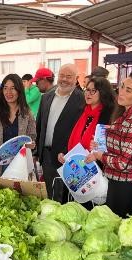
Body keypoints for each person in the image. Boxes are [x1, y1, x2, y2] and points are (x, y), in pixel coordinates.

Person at [85, 71, 132, 217]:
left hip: (127, 182)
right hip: (117, 179)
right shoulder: (125, 112)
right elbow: (120, 143)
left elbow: (123, 163)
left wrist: (99, 155)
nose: (121, 92)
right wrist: (100, 143)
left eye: (128, 90)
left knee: (118, 225)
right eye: (122, 87)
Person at [35, 63, 85, 202]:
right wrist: (36, 153)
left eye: (69, 76)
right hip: (46, 155)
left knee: (66, 197)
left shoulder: (82, 100)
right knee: (50, 193)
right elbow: (39, 125)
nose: (64, 79)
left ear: (76, 79)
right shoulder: (46, 97)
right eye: (62, 75)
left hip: (68, 157)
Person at [0, 73, 36, 177]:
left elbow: (31, 135)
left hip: (19, 166)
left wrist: (30, 144)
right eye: (5, 88)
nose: (8, 92)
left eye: (13, 88)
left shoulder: (26, 113)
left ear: (19, 90)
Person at [58, 77, 115, 163]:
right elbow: (72, 137)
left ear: (103, 93)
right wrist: (64, 153)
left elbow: (111, 146)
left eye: (93, 91)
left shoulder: (109, 116)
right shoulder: (81, 111)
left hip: (97, 166)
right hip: (76, 163)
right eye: (87, 90)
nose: (88, 94)